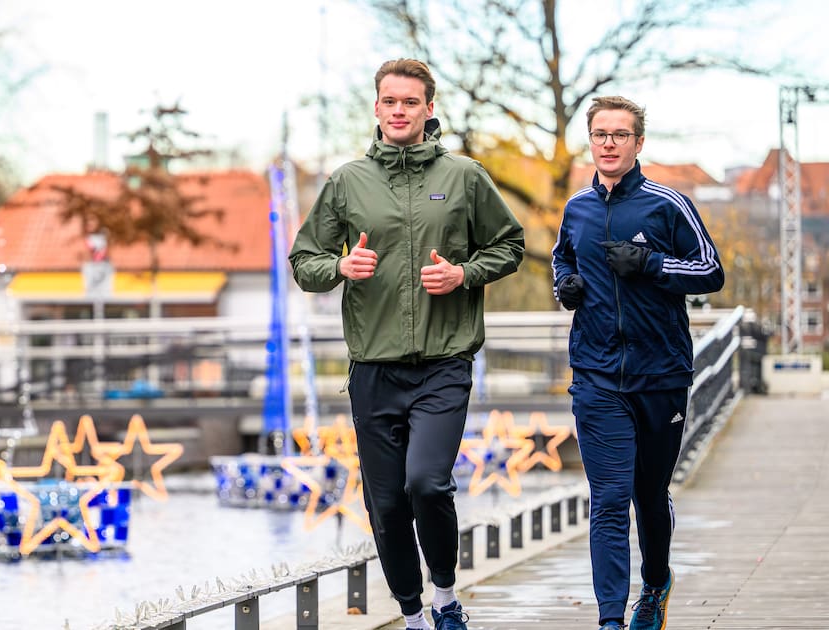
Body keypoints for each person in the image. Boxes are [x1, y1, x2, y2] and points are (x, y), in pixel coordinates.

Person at [289, 58, 524, 630]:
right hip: (373, 368)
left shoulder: (465, 177)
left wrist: (464, 274)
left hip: (445, 362)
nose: (399, 111)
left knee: (426, 482)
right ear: (376, 109)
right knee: (386, 504)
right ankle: (414, 615)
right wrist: (341, 265)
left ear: (428, 109)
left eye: (410, 102)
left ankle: (445, 596)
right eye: (389, 101)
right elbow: (304, 260)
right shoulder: (347, 182)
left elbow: (510, 244)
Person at [551, 96, 724, 630]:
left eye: (620, 135)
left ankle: (654, 586)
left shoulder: (667, 204)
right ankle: (610, 621)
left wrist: (651, 262)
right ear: (591, 140)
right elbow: (562, 256)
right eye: (600, 134)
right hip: (597, 374)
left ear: (638, 143)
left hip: (660, 374)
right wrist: (565, 286)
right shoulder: (577, 207)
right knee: (607, 499)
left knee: (648, 496)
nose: (609, 143)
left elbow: (710, 271)